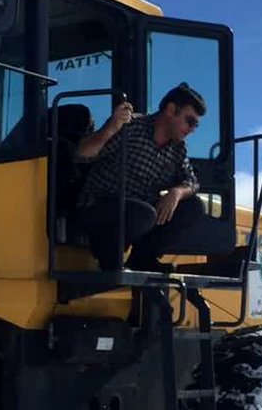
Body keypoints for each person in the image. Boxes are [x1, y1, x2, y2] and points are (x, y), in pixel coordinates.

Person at [73, 82, 205, 271]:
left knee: (193, 207)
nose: (192, 129)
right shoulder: (131, 127)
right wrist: (110, 128)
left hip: (139, 215)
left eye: (196, 125)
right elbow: (82, 153)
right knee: (142, 213)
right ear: (171, 110)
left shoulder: (178, 149)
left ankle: (143, 259)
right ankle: (110, 263)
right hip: (98, 207)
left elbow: (192, 182)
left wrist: (176, 192)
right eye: (189, 121)